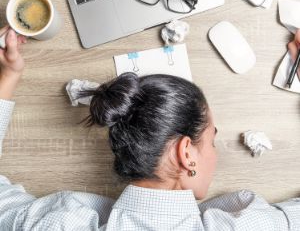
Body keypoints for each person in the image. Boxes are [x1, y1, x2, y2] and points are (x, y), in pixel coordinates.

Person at [0, 25, 299, 231]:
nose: (214, 152)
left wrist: (10, 76)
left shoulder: (58, 224)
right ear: (186, 153)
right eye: (211, 141)